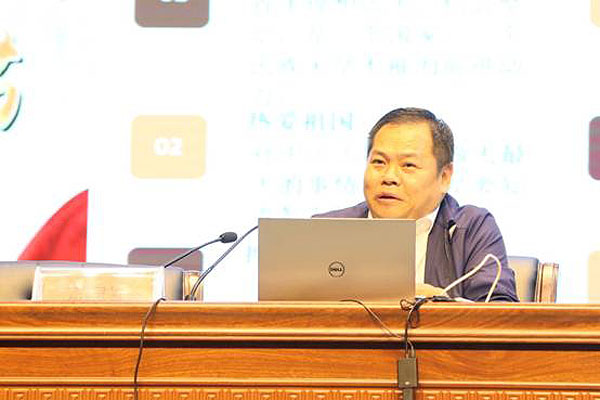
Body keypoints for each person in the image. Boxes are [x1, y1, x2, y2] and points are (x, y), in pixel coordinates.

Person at [314, 107, 518, 302]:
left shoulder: (471, 229)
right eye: (379, 162)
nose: (389, 177)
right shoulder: (325, 230)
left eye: (408, 165)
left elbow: (500, 314)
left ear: (444, 177)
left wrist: (439, 306)